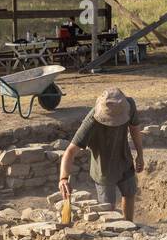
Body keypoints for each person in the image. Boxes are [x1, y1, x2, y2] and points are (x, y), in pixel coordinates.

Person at [59, 88, 144, 222]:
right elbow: (70, 151)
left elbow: (134, 129)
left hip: (124, 159)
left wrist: (140, 154)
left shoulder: (128, 105)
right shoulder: (91, 122)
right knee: (107, 209)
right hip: (103, 169)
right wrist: (63, 178)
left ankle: (129, 225)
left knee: (129, 193)